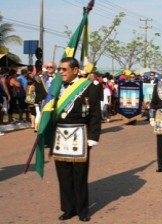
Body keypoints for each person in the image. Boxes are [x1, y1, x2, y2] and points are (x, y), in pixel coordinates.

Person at [52, 57, 101, 222]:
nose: (61, 72)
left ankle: (82, 210)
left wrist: (93, 136)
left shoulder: (89, 87)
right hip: (60, 134)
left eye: (64, 69)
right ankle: (68, 208)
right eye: (60, 69)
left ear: (75, 70)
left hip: (80, 134)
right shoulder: (56, 86)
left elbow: (95, 113)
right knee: (63, 174)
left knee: (80, 175)